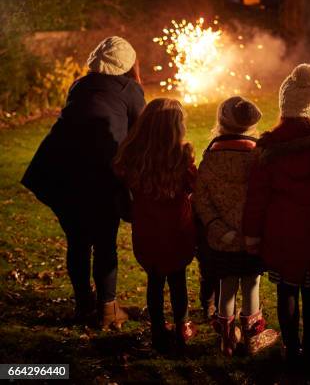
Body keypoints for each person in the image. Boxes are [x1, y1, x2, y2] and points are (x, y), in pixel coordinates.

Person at [21, 36, 145, 328]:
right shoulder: (130, 90)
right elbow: (140, 134)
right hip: (99, 172)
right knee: (104, 241)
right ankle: (107, 309)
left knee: (77, 240)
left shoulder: (80, 84)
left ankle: (84, 305)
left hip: (59, 170)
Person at [242, 64, 310, 376]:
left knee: (287, 288)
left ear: (285, 106)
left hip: (282, 229)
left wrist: (253, 235)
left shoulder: (269, 146)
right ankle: (309, 352)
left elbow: (256, 196)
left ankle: (291, 348)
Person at [193, 96, 278, 357]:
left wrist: (215, 226)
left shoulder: (211, 156)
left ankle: (226, 340)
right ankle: (252, 336)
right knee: (251, 284)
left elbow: (201, 196)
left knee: (226, 284)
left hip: (223, 238)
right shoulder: (258, 155)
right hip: (253, 236)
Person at [113, 98, 197, 354]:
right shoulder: (182, 155)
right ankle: (182, 326)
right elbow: (194, 185)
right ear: (176, 126)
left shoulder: (134, 156)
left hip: (147, 232)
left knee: (155, 281)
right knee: (178, 280)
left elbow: (122, 179)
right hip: (177, 232)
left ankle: (158, 330)